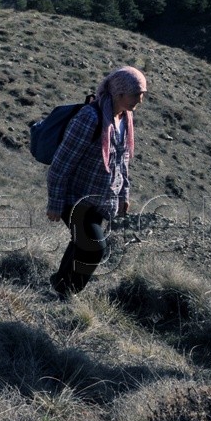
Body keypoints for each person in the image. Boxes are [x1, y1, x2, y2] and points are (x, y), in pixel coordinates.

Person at [46, 66, 147, 298]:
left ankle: (60, 285)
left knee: (81, 242)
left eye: (142, 94)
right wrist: (55, 203)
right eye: (136, 94)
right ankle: (66, 292)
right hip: (74, 197)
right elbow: (61, 163)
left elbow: (122, 162)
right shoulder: (89, 118)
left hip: (101, 198)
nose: (140, 101)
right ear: (119, 94)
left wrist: (124, 195)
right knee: (94, 246)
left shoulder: (124, 118)